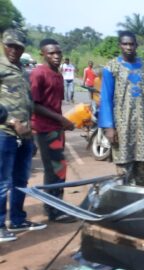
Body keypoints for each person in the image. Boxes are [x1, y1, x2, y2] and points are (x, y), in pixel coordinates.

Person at [0, 30, 47, 242]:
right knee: (2, 182)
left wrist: (30, 133)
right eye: (10, 45)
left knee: (21, 180)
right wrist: (11, 122)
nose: (13, 50)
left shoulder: (23, 70)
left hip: (25, 136)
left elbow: (28, 104)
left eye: (18, 47)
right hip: (4, 134)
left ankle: (18, 219)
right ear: (3, 43)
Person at [99, 31, 144, 186]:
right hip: (122, 125)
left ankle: (139, 199)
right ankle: (124, 201)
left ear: (136, 45)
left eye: (131, 44)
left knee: (141, 166)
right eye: (125, 44)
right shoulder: (111, 67)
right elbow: (105, 98)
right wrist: (108, 126)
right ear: (120, 45)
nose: (128, 47)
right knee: (123, 169)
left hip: (142, 124)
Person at [30, 38, 75, 223]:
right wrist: (61, 119)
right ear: (43, 54)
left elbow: (55, 104)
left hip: (57, 128)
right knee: (55, 168)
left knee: (58, 167)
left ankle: (56, 205)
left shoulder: (57, 74)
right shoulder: (39, 73)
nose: (56, 56)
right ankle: (53, 210)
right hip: (45, 129)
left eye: (58, 52)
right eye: (51, 53)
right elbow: (34, 104)